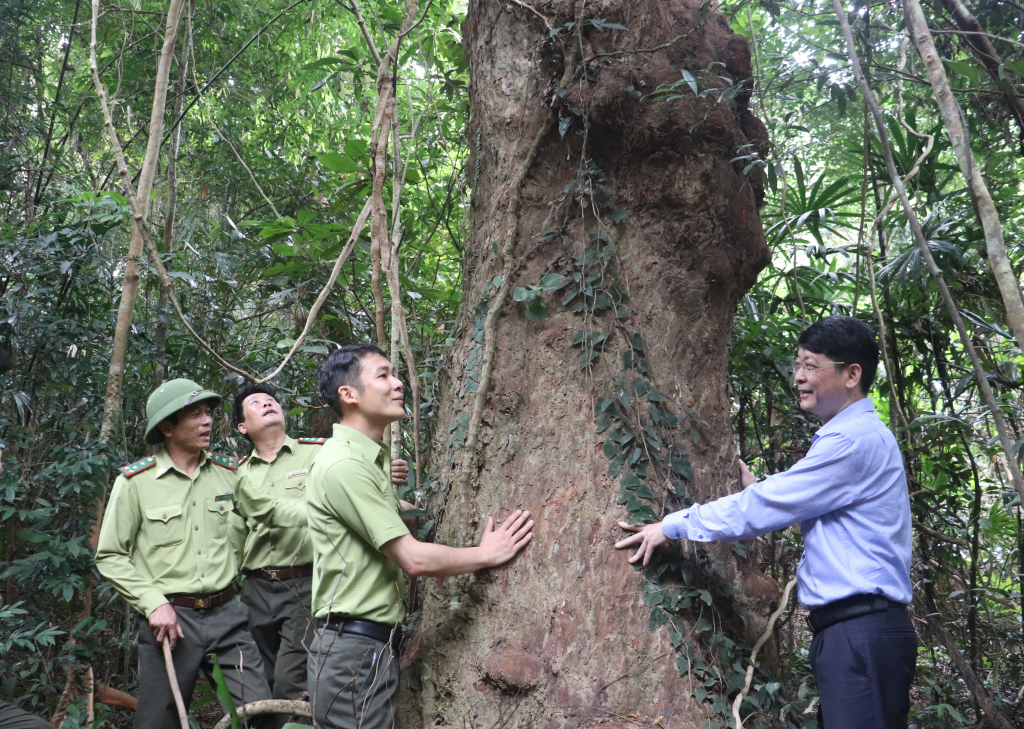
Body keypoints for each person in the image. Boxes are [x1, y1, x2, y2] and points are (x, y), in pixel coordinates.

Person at [615, 316, 915, 729]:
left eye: (811, 366)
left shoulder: (853, 439)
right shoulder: (853, 436)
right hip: (852, 630)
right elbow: (831, 518)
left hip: (860, 630)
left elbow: (762, 509)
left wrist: (674, 524)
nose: (799, 376)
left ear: (852, 374)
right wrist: (762, 488)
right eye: (798, 364)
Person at [306, 343, 536, 729]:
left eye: (395, 374)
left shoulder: (366, 459)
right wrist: (486, 553)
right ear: (348, 394)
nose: (398, 384)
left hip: (367, 648)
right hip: (352, 653)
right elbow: (413, 558)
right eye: (383, 376)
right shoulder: (344, 464)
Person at [95, 378, 273, 729]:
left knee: (264, 712)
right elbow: (111, 555)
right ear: (167, 427)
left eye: (207, 413)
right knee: (158, 722)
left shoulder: (227, 472)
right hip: (171, 622)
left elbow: (272, 513)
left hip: (228, 615)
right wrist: (153, 603)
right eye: (195, 414)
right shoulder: (135, 483)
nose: (207, 421)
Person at [228, 383, 410, 726]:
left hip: (304, 583)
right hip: (254, 588)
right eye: (256, 403)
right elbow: (235, 536)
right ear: (242, 427)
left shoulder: (320, 453)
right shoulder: (237, 473)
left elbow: (357, 489)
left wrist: (388, 476)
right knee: (259, 687)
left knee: (290, 683)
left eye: (271, 399)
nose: (268, 403)